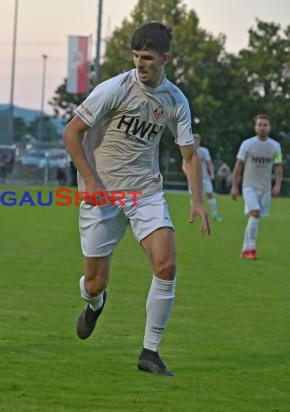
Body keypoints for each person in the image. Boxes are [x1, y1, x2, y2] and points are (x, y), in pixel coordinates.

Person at [62, 22, 210, 376]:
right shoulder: (114, 88)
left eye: (148, 58)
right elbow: (72, 133)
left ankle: (150, 352)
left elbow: (189, 155)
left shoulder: (175, 100)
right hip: (103, 195)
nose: (140, 64)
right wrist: (90, 180)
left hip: (145, 192)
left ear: (165, 59)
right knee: (95, 283)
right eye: (136, 57)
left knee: (166, 264)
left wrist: (197, 201)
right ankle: (93, 304)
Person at [230, 114, 283, 260]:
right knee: (255, 213)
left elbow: (278, 167)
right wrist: (234, 186)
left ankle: (245, 250)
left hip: (265, 188)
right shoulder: (247, 144)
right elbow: (238, 166)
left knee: (255, 218)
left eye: (265, 125)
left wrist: (277, 185)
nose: (262, 127)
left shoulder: (275, 147)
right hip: (249, 186)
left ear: (269, 127)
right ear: (255, 127)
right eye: (259, 125)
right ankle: (251, 249)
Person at [182, 133, 223, 221]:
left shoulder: (204, 151)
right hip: (193, 179)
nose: (196, 142)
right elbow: (184, 165)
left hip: (205, 178)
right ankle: (194, 216)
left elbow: (209, 163)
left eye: (197, 140)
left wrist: (212, 173)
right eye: (194, 140)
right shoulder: (188, 151)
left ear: (199, 141)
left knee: (210, 194)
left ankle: (215, 215)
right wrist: (187, 173)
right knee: (195, 196)